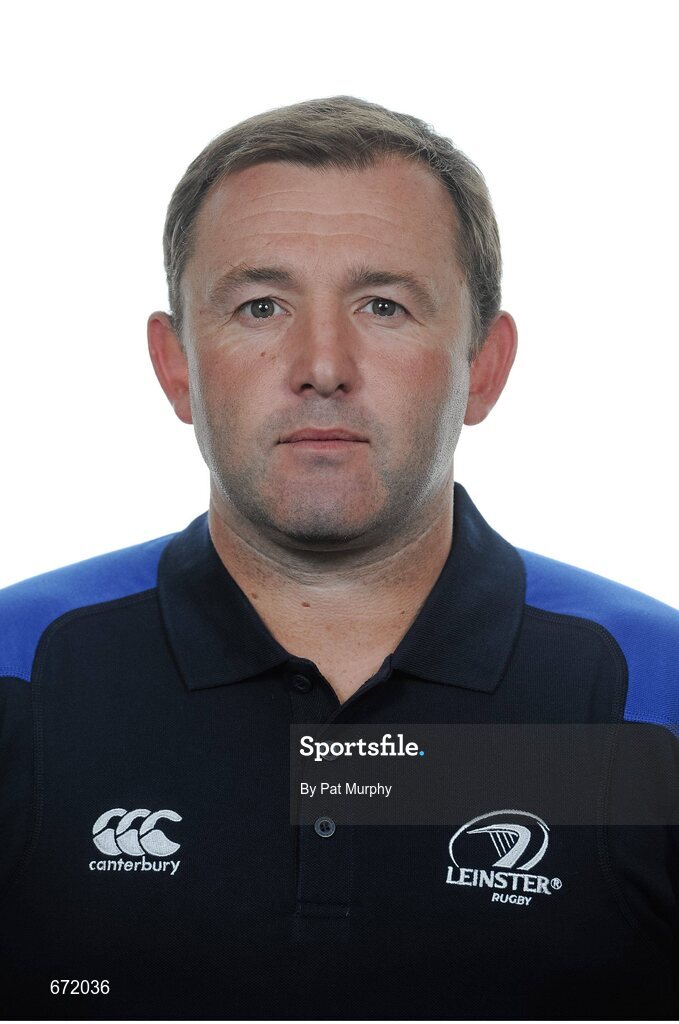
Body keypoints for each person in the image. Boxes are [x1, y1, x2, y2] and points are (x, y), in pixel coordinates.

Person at [1, 94, 677, 1021]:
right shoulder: (18, 670)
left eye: (384, 304)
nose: (322, 362)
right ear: (176, 367)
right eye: (261, 304)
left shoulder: (657, 690)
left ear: (483, 364)